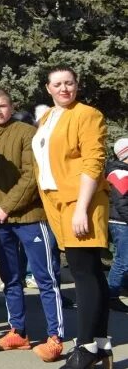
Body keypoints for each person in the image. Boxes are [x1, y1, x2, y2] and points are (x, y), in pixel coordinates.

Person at [33, 66, 111, 369]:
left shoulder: (86, 114)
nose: (64, 88)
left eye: (69, 83)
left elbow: (94, 161)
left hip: (83, 202)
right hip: (58, 203)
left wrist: (81, 207)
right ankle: (101, 344)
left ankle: (86, 346)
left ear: (76, 85)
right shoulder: (48, 118)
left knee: (82, 273)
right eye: (58, 84)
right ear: (48, 88)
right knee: (90, 271)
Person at [0, 88, 65, 361]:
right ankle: (17, 332)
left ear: (11, 105)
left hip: (30, 218)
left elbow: (31, 176)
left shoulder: (27, 133)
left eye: (3, 105)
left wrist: (7, 207)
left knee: (45, 278)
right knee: (10, 279)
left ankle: (55, 337)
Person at [106, 138, 128, 312]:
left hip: (122, 221)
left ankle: (122, 287)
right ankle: (111, 296)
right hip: (121, 223)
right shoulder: (120, 173)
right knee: (122, 260)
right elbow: (121, 203)